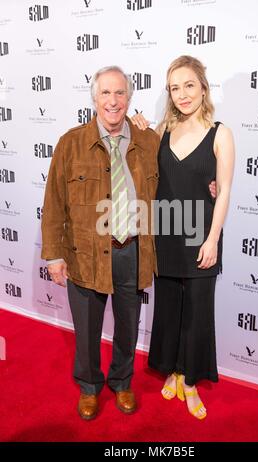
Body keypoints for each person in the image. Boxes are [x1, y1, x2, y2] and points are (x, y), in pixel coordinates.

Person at [41, 66, 160, 420]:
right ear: (94, 98)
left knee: (128, 326)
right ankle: (89, 387)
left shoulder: (148, 141)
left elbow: (176, 181)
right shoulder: (70, 143)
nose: (113, 101)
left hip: (133, 252)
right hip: (85, 255)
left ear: (130, 98)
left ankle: (121, 383)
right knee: (88, 330)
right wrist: (53, 256)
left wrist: (209, 188)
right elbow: (53, 204)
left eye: (120, 93)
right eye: (106, 93)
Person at [132, 55, 235, 420]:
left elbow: (222, 192)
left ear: (203, 87)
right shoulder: (162, 131)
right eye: (175, 88)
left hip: (201, 236)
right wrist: (137, 128)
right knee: (170, 309)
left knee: (197, 312)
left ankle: (190, 381)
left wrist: (213, 239)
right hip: (166, 236)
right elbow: (139, 168)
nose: (182, 94)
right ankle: (174, 370)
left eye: (189, 85)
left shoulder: (220, 133)